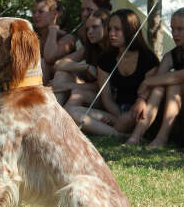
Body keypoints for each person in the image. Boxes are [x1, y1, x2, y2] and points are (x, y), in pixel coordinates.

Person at [66, 9, 159, 137]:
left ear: (130, 29)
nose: (111, 33)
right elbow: (107, 98)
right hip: (116, 112)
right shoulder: (106, 58)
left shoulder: (148, 58)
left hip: (139, 113)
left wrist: (123, 119)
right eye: (109, 29)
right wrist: (117, 117)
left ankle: (108, 130)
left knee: (125, 119)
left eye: (117, 29)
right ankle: (120, 135)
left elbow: (151, 94)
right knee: (71, 112)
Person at [126, 7, 184, 146]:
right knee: (160, 85)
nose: (174, 34)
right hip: (177, 116)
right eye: (172, 29)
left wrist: (147, 81)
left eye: (180, 29)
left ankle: (161, 137)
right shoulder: (172, 55)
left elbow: (183, 75)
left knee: (173, 81)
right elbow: (157, 81)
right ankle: (136, 136)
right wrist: (141, 98)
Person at [51, 0, 112, 105]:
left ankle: (56, 117)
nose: (84, 14)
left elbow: (103, 87)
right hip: (90, 90)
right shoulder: (91, 45)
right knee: (62, 74)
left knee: (75, 92)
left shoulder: (114, 49)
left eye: (89, 9)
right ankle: (54, 115)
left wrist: (65, 86)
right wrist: (86, 67)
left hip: (106, 97)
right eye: (82, 10)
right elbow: (59, 64)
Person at [31, 0, 76, 83]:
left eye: (41, 12)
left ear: (55, 14)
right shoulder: (34, 37)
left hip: (62, 86)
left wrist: (52, 30)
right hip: (40, 86)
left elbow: (49, 57)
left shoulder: (68, 39)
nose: (35, 15)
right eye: (34, 12)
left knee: (42, 63)